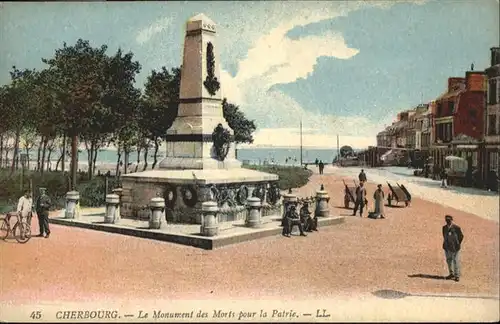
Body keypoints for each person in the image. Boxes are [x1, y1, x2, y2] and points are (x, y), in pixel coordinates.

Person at [442, 215, 464, 282]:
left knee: (455, 261)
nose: (448, 221)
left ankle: (457, 275)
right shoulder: (444, 228)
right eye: (446, 220)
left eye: (449, 220)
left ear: (452, 220)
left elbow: (461, 236)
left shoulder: (456, 228)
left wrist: (457, 243)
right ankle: (451, 273)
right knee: (449, 260)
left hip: (455, 247)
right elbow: (444, 236)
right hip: (447, 247)